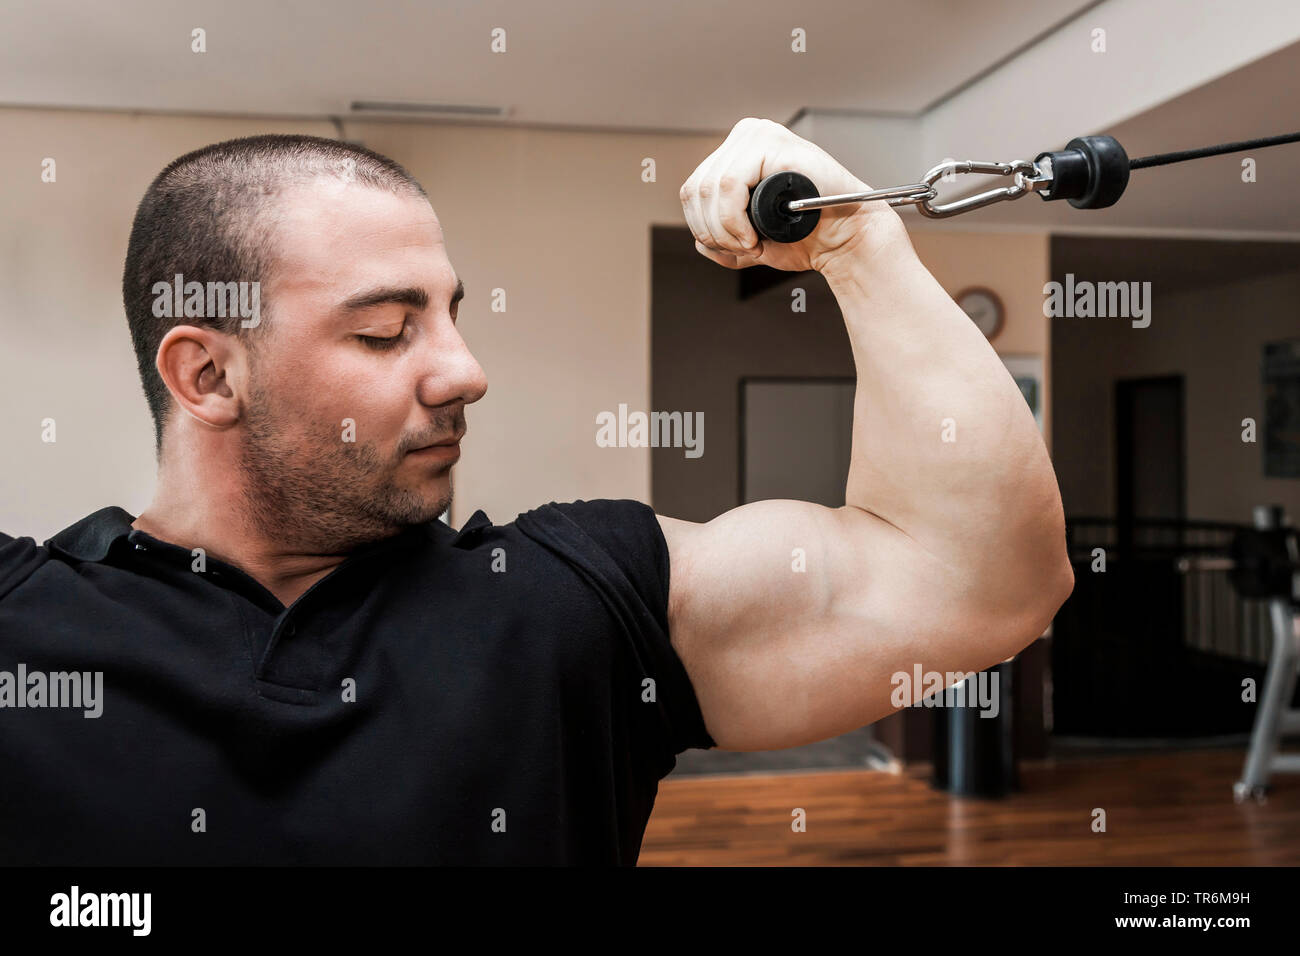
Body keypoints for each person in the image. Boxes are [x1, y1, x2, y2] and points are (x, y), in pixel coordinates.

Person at [0, 118, 1073, 865]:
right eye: (386, 330)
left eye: (451, 312)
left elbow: (977, 582)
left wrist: (859, 241)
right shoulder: (22, 625)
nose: (463, 370)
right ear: (206, 374)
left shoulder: (571, 601)